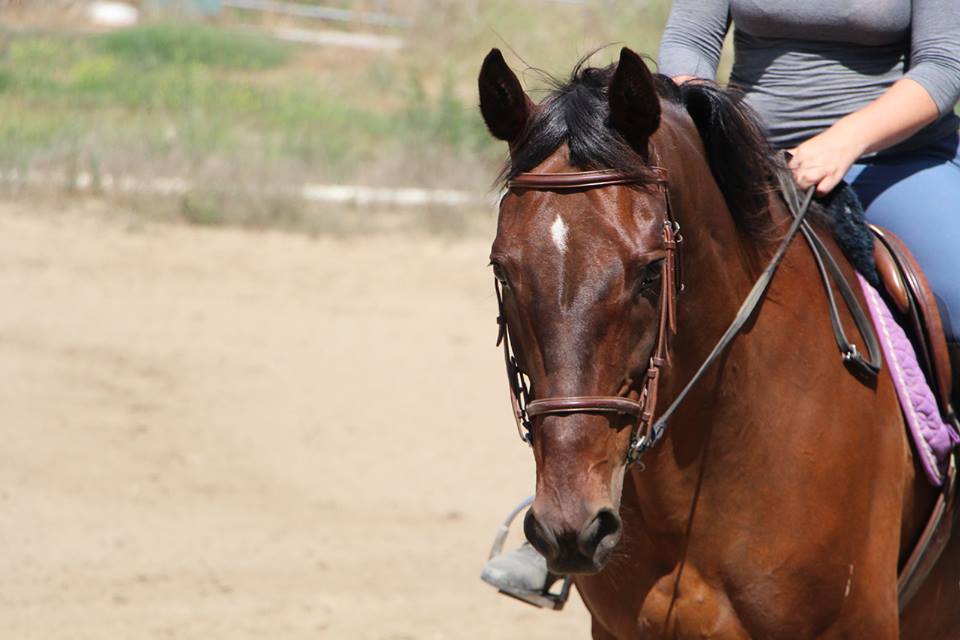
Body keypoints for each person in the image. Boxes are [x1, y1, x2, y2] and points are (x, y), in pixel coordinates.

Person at [482, 0, 960, 605]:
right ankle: (571, 501)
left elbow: (943, 66)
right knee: (619, 283)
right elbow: (689, 44)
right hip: (742, 152)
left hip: (893, 159)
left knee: (957, 291)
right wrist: (698, 125)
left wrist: (842, 141)